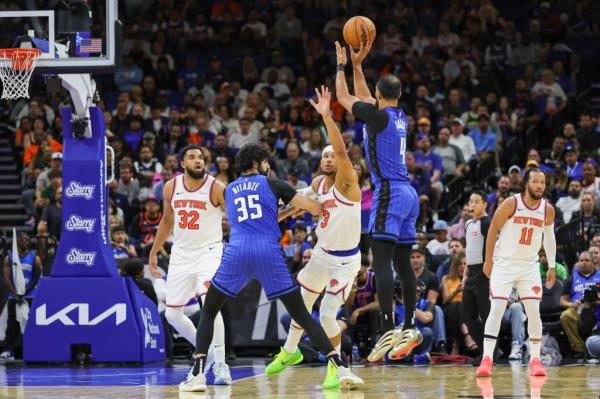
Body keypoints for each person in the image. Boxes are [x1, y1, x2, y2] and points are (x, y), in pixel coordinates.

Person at [180, 143, 361, 392]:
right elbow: (317, 209)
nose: (269, 166)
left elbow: (252, 217)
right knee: (302, 315)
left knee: (210, 310)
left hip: (238, 251)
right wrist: (299, 206)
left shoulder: (229, 189)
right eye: (266, 162)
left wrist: (285, 211)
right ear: (257, 163)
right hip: (267, 251)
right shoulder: (273, 184)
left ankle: (198, 373)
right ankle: (339, 365)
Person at [266, 87, 363, 390]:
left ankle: (336, 368)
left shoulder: (348, 184)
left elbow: (342, 149)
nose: (329, 158)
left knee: (327, 314)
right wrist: (277, 218)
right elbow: (297, 203)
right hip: (322, 253)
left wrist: (326, 116)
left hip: (345, 261)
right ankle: (289, 351)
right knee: (301, 303)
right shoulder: (319, 182)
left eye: (333, 155)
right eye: (324, 155)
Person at [334, 40, 421, 362]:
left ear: (379, 95)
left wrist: (342, 65)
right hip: (409, 194)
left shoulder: (378, 117)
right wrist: (359, 66)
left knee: (379, 261)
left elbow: (345, 98)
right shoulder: (397, 116)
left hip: (389, 191)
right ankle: (409, 325)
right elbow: (365, 98)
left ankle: (387, 328)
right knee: (403, 263)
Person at [148, 144, 231, 386]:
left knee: (210, 304)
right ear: (182, 163)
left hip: (209, 252)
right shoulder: (171, 186)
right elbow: (166, 221)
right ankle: (209, 352)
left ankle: (222, 365)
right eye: (192, 157)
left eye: (201, 158)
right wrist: (154, 252)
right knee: (173, 314)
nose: (198, 161)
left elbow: (235, 218)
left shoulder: (216, 187)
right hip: (181, 254)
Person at [476, 168, 557, 377]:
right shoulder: (512, 203)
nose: (539, 186)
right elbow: (493, 228)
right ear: (525, 184)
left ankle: (536, 359)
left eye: (542, 183)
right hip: (504, 264)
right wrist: (488, 259)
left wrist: (551, 266)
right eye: (535, 182)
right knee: (496, 309)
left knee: (533, 311)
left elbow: (549, 238)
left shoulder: (547, 210)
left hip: (529, 266)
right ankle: (487, 358)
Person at [1, 232, 42, 359]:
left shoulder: (35, 257)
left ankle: (32, 348)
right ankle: (8, 349)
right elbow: (7, 278)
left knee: (30, 323)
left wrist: (24, 291)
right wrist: (15, 293)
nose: (24, 240)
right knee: (12, 323)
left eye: (27, 239)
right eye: (21, 239)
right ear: (17, 241)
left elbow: (36, 278)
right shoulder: (10, 257)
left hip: (30, 295)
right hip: (14, 296)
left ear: (30, 241)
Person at [462, 191, 491, 359]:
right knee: (467, 315)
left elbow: (492, 250)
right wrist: (465, 275)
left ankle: (490, 353)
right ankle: (485, 349)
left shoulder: (487, 223)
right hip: (471, 272)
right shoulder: (468, 224)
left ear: (485, 204)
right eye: (470, 201)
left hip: (483, 272)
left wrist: (490, 273)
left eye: (476, 201)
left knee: (486, 315)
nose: (472, 204)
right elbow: (469, 251)